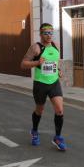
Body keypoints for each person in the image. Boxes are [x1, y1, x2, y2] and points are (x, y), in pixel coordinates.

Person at [20, 23, 66, 151]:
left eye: (51, 32)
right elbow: (23, 64)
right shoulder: (36, 48)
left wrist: (59, 70)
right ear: (41, 34)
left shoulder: (56, 46)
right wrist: (36, 62)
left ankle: (57, 137)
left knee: (60, 110)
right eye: (46, 33)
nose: (49, 35)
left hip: (54, 83)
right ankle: (34, 131)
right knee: (39, 110)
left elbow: (55, 63)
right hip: (40, 84)